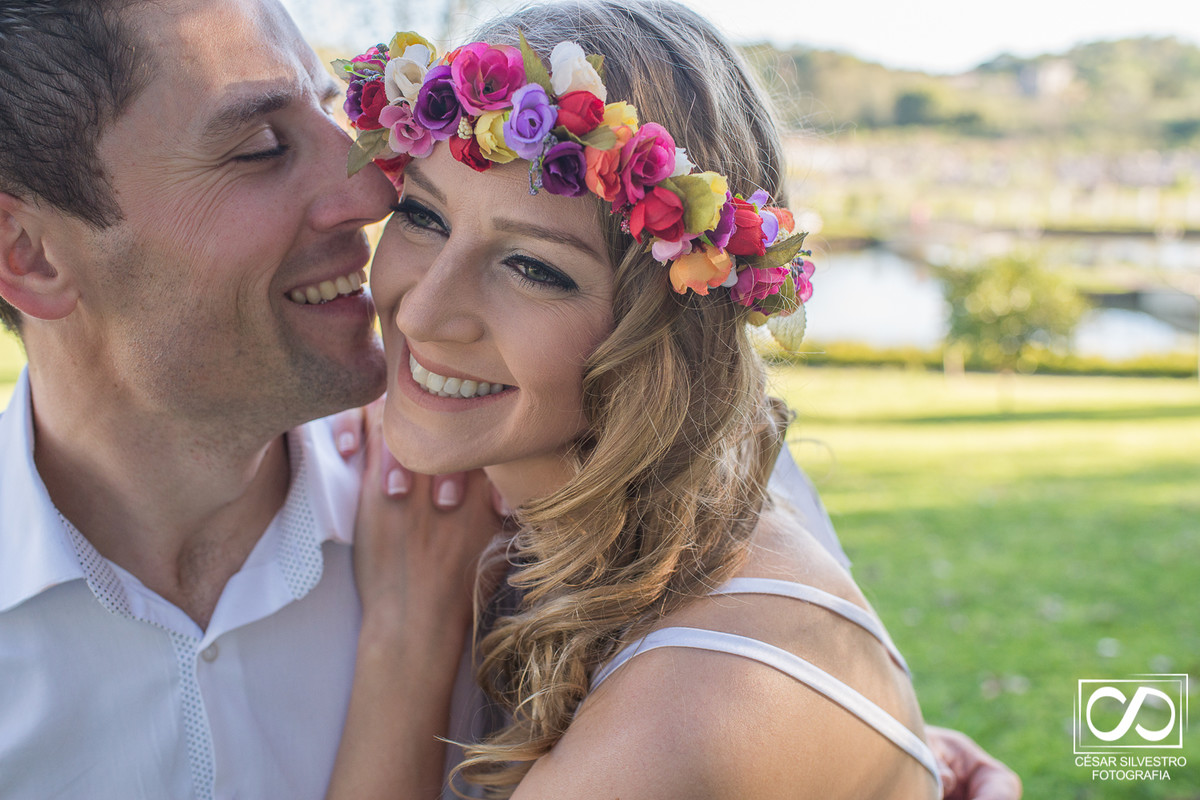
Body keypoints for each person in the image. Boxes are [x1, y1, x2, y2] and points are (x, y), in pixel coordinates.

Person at [0, 0, 1018, 798]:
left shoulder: (493, 473)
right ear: (28, 251)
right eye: (262, 146)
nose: (366, 190)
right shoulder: (473, 467)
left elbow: (777, 708)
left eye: (534, 266)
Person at [327, 3, 1022, 798]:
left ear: (665, 327)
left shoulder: (682, 713)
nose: (420, 313)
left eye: (533, 267)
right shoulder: (707, 510)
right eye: (422, 215)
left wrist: (406, 640)